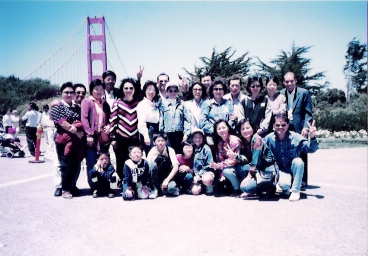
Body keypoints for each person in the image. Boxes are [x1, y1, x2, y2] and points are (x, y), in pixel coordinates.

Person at [264, 113, 318, 201]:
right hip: (278, 170)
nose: (280, 127)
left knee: (298, 161)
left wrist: (312, 137)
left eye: (283, 125)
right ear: (274, 125)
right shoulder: (269, 138)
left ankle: (296, 191)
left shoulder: (295, 137)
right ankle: (284, 188)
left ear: (288, 125)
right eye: (277, 125)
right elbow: (261, 153)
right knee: (284, 184)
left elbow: (312, 149)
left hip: (292, 168)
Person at [50, 83, 87, 197]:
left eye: (71, 92)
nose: (69, 94)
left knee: (76, 163)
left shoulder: (76, 107)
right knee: (66, 164)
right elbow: (62, 123)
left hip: (76, 140)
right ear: (61, 93)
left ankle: (72, 186)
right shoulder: (58, 106)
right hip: (63, 139)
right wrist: (77, 131)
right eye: (66, 92)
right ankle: (65, 189)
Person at [280, 72, 313, 190]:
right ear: (284, 82)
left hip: (299, 128)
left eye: (291, 81)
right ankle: (290, 179)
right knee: (287, 153)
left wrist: (306, 127)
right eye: (286, 82)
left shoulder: (304, 93)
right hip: (285, 128)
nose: (289, 84)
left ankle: (303, 182)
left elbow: (308, 113)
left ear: (295, 81)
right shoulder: (281, 94)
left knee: (302, 152)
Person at [229, 119, 274, 197]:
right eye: (243, 129)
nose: (246, 130)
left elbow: (255, 160)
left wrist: (249, 176)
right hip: (257, 168)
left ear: (253, 128)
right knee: (241, 167)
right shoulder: (245, 141)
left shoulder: (257, 139)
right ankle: (255, 188)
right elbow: (246, 159)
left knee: (244, 187)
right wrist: (236, 156)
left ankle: (267, 187)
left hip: (267, 168)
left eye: (248, 128)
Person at [110, 78, 141, 182]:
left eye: (131, 88)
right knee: (121, 160)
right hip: (121, 138)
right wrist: (113, 138)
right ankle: (123, 182)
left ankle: (134, 182)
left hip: (135, 138)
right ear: (122, 89)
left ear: (134, 89)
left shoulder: (139, 103)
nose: (128, 90)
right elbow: (113, 121)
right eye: (126, 88)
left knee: (136, 160)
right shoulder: (117, 103)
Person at [81, 79, 111, 189]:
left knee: (104, 161)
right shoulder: (87, 102)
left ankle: (103, 184)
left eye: (101, 89)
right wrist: (89, 134)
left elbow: (108, 119)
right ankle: (94, 186)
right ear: (91, 90)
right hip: (92, 138)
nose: (99, 91)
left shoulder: (105, 103)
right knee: (92, 162)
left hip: (103, 138)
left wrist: (109, 126)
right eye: (96, 89)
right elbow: (84, 119)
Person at [210, 119, 242, 197]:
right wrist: (222, 175)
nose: (221, 130)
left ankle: (238, 189)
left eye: (223, 127)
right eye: (219, 129)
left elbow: (233, 161)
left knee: (227, 171)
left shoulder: (234, 140)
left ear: (228, 128)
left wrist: (217, 166)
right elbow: (219, 159)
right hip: (227, 166)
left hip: (239, 166)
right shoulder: (219, 142)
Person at [199, 79, 235, 145]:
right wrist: (216, 131)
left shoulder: (229, 103)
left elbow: (232, 119)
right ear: (212, 91)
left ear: (224, 91)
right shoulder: (207, 104)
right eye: (216, 89)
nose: (218, 91)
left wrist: (225, 130)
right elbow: (203, 122)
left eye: (220, 89)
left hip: (226, 136)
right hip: (212, 137)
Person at [159, 81, 191, 154]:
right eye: (170, 91)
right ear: (166, 92)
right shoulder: (163, 105)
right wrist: (161, 134)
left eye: (175, 91)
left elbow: (187, 120)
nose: (173, 93)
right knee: (169, 154)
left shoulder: (182, 104)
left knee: (179, 153)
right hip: (167, 134)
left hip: (179, 133)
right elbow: (161, 120)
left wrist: (186, 134)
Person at [146, 133, 180, 197]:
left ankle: (168, 189)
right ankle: (155, 188)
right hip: (157, 176)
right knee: (152, 164)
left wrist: (167, 180)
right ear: (154, 142)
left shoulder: (170, 150)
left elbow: (176, 166)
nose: (160, 143)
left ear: (166, 142)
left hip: (168, 176)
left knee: (171, 188)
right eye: (158, 141)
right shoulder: (152, 151)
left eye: (162, 141)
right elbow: (147, 166)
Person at [136, 80, 161, 154]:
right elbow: (141, 121)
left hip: (156, 130)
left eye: (153, 90)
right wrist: (146, 136)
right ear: (144, 91)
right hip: (148, 131)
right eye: (148, 89)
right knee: (150, 154)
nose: (151, 92)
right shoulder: (142, 104)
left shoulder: (154, 104)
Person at [191, 128, 215, 195]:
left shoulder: (206, 148)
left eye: (200, 137)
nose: (197, 139)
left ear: (203, 138)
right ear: (192, 138)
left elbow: (208, 166)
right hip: (196, 174)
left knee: (207, 179)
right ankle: (202, 186)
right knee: (195, 191)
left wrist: (199, 175)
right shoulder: (191, 148)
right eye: (195, 137)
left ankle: (209, 186)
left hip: (206, 173)